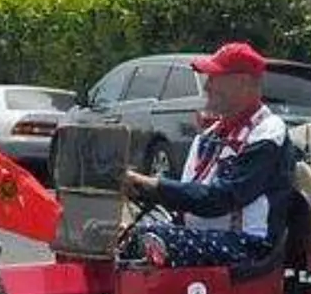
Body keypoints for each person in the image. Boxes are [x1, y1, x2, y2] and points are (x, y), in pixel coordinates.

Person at [117, 41, 297, 268]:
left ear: (243, 83)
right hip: (204, 236)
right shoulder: (209, 136)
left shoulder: (267, 134)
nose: (207, 87)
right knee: (121, 237)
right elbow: (188, 198)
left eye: (215, 78)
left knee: (152, 241)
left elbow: (220, 199)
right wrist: (138, 190)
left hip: (248, 246)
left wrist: (152, 184)